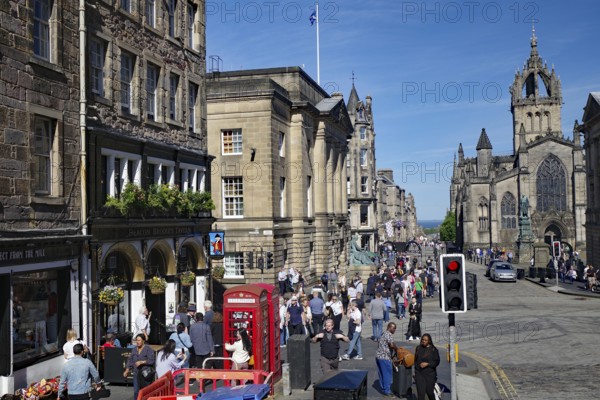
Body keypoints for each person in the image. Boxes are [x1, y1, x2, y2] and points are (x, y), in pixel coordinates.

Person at [123, 334, 155, 400]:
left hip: (145, 374)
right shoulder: (134, 349)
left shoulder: (148, 349)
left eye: (139, 340)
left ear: (143, 341)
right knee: (136, 391)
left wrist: (142, 362)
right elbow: (130, 360)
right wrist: (127, 370)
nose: (137, 342)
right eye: (136, 340)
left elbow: (151, 360)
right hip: (136, 373)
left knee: (146, 391)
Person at [414, 334, 441, 400]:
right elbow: (415, 360)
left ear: (429, 341)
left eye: (426, 340)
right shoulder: (418, 348)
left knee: (429, 392)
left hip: (430, 375)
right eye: (423, 339)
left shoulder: (433, 350)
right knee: (421, 394)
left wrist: (428, 364)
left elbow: (437, 362)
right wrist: (416, 372)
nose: (423, 341)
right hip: (419, 374)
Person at [376, 322, 399, 397]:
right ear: (389, 327)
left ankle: (384, 388)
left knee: (382, 374)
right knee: (387, 374)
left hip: (379, 356)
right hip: (385, 357)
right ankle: (387, 391)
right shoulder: (389, 334)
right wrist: (397, 349)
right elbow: (391, 345)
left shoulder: (383, 334)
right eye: (394, 328)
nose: (395, 329)